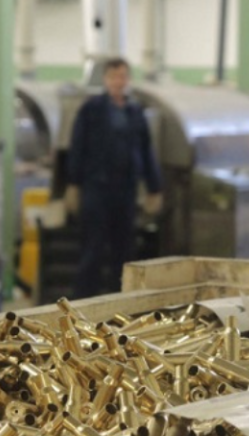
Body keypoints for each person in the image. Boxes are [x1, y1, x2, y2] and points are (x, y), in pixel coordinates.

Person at [65, 57, 163, 299]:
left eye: (123, 77)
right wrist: (73, 184)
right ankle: (83, 302)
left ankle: (121, 300)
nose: (118, 82)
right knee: (93, 248)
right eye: (114, 77)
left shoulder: (135, 111)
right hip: (96, 188)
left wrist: (154, 187)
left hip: (126, 189)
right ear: (106, 79)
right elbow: (77, 146)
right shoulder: (91, 109)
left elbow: (145, 150)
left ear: (128, 80)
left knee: (124, 249)